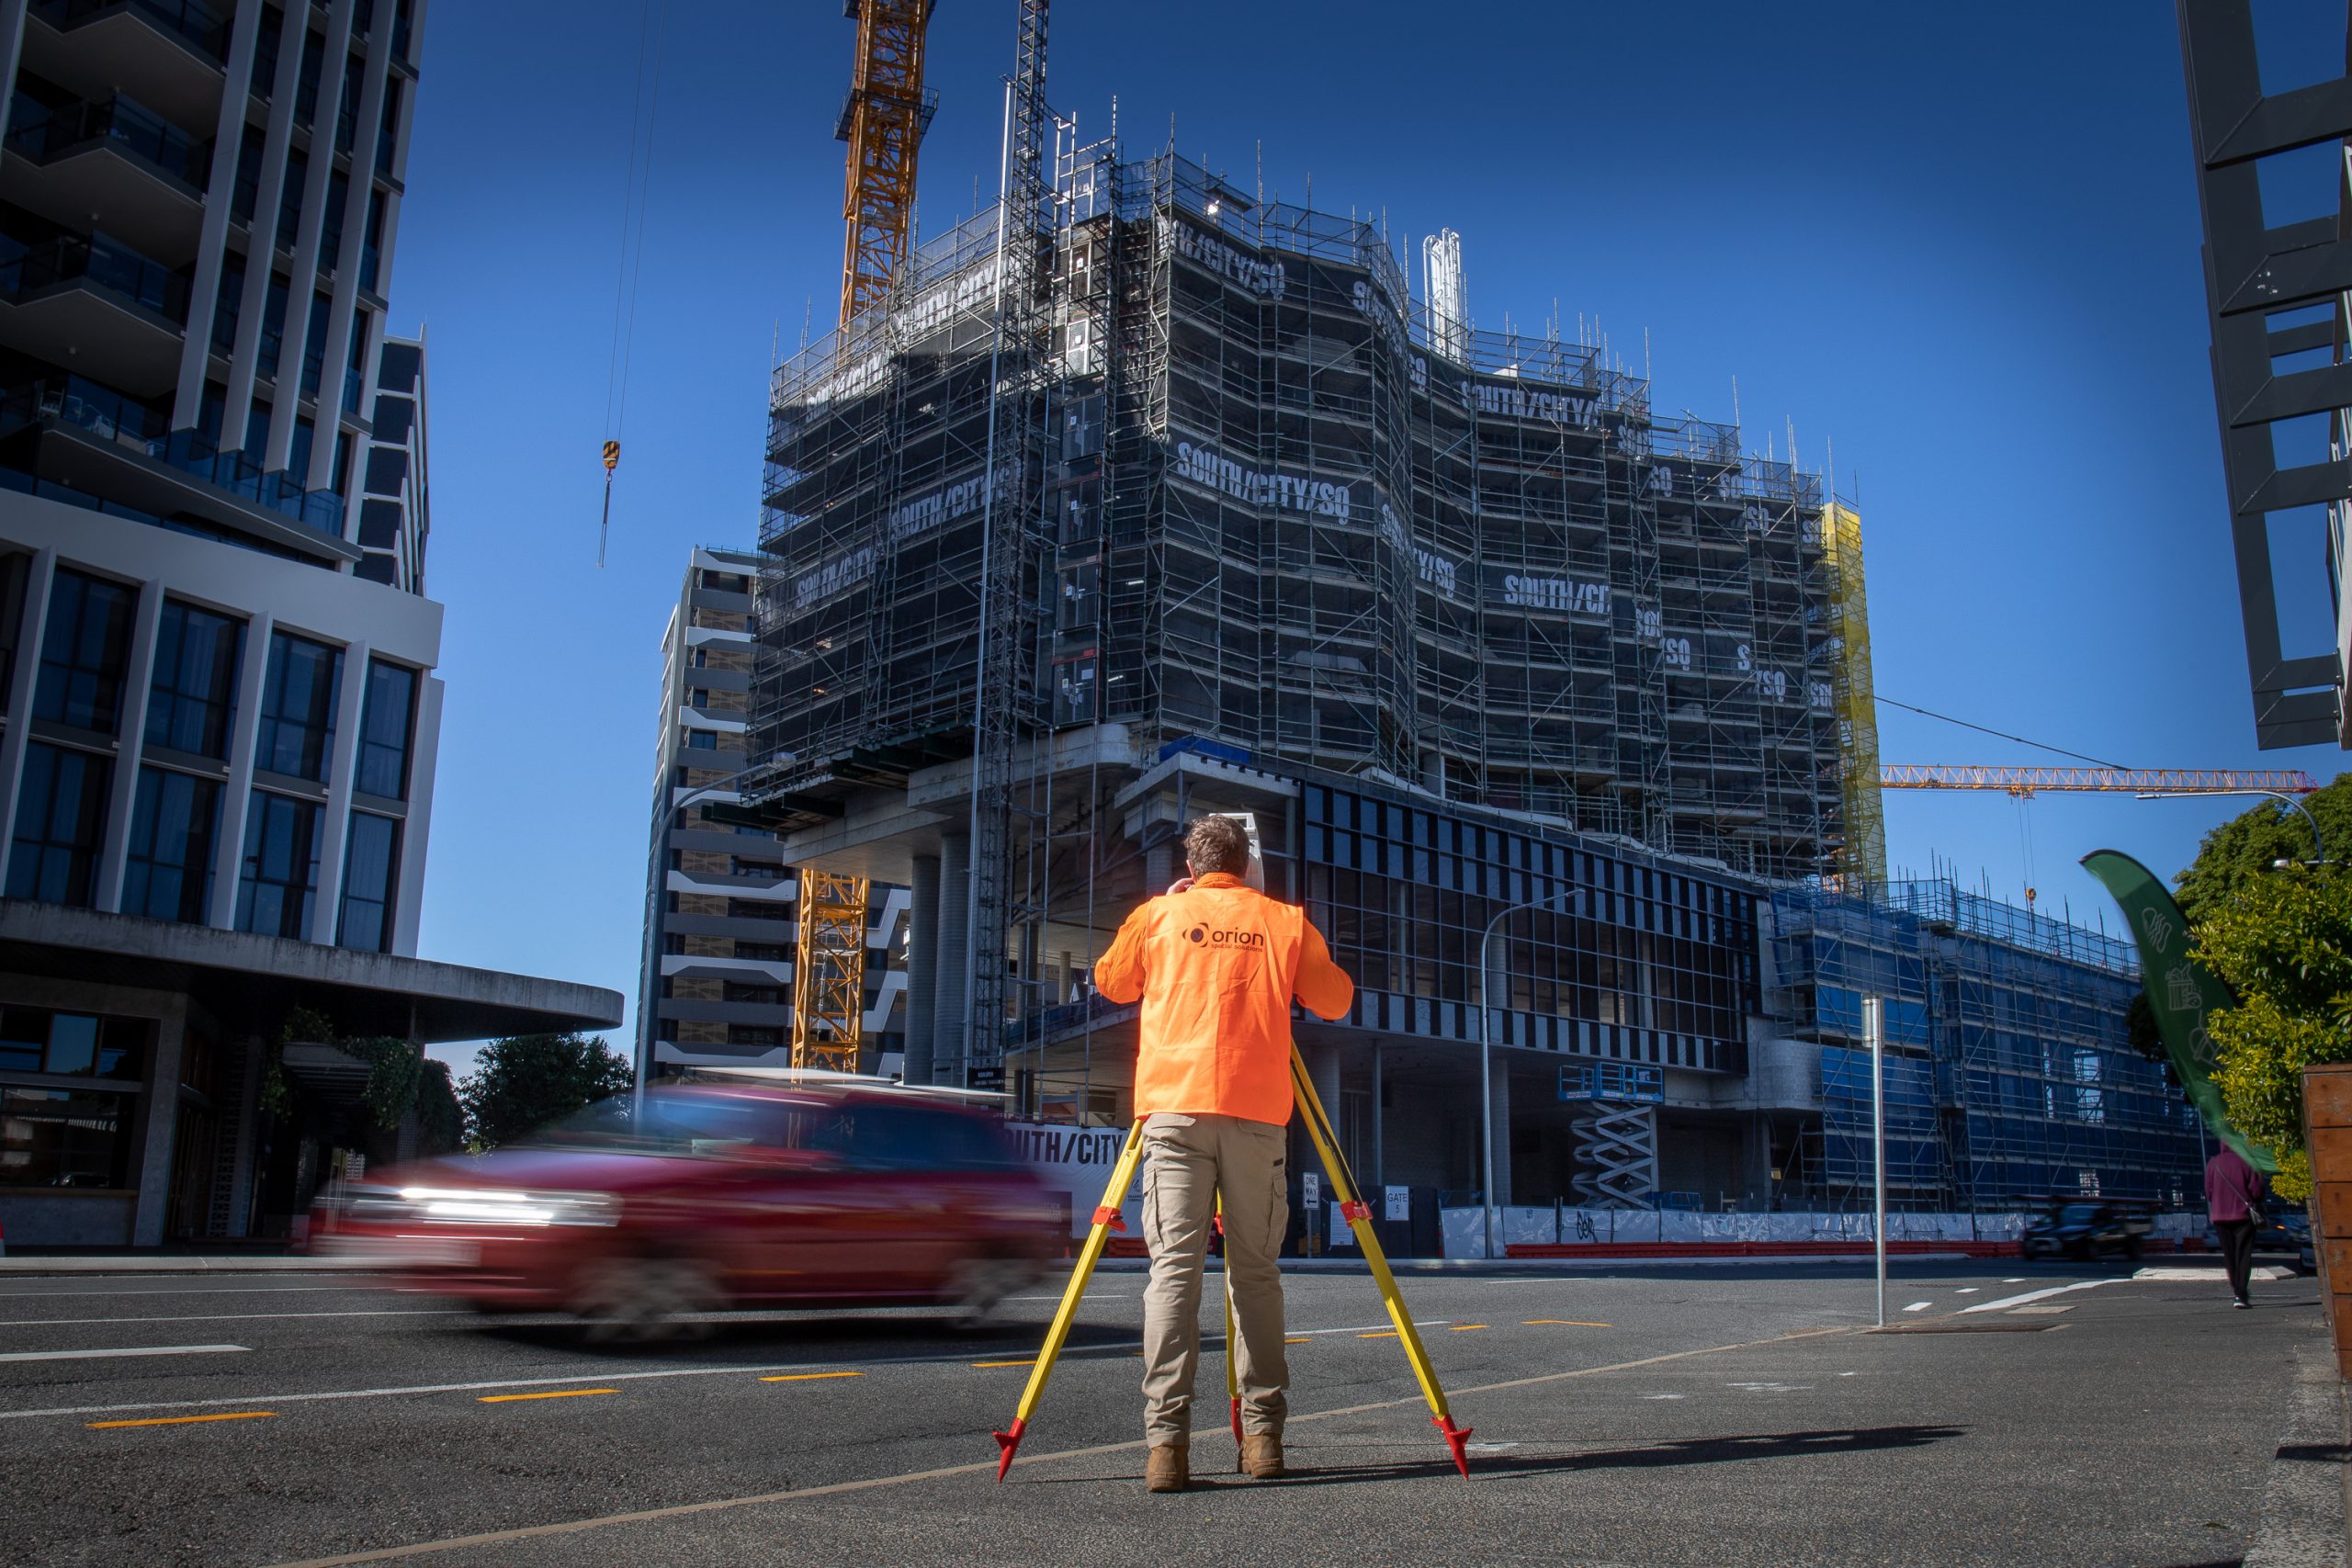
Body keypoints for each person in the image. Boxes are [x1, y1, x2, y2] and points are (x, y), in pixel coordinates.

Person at [1091, 814, 1354, 1495]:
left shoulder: (1158, 916)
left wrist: (1178, 913)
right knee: (1256, 1275)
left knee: (1173, 1275)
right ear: (1246, 863)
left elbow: (1111, 982)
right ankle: (1264, 1435)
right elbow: (1335, 1000)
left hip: (1174, 1111)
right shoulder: (1283, 920)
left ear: (1192, 862)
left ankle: (1166, 1446)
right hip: (1254, 1113)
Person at [2206, 1143, 2266, 1309]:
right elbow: (2257, 1190)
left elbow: (2208, 1191)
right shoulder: (2247, 1161)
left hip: (2220, 1216)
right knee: (2244, 1254)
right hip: (2243, 1215)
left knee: (2229, 1255)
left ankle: (2236, 1290)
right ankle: (2241, 1292)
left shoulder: (2213, 1163)